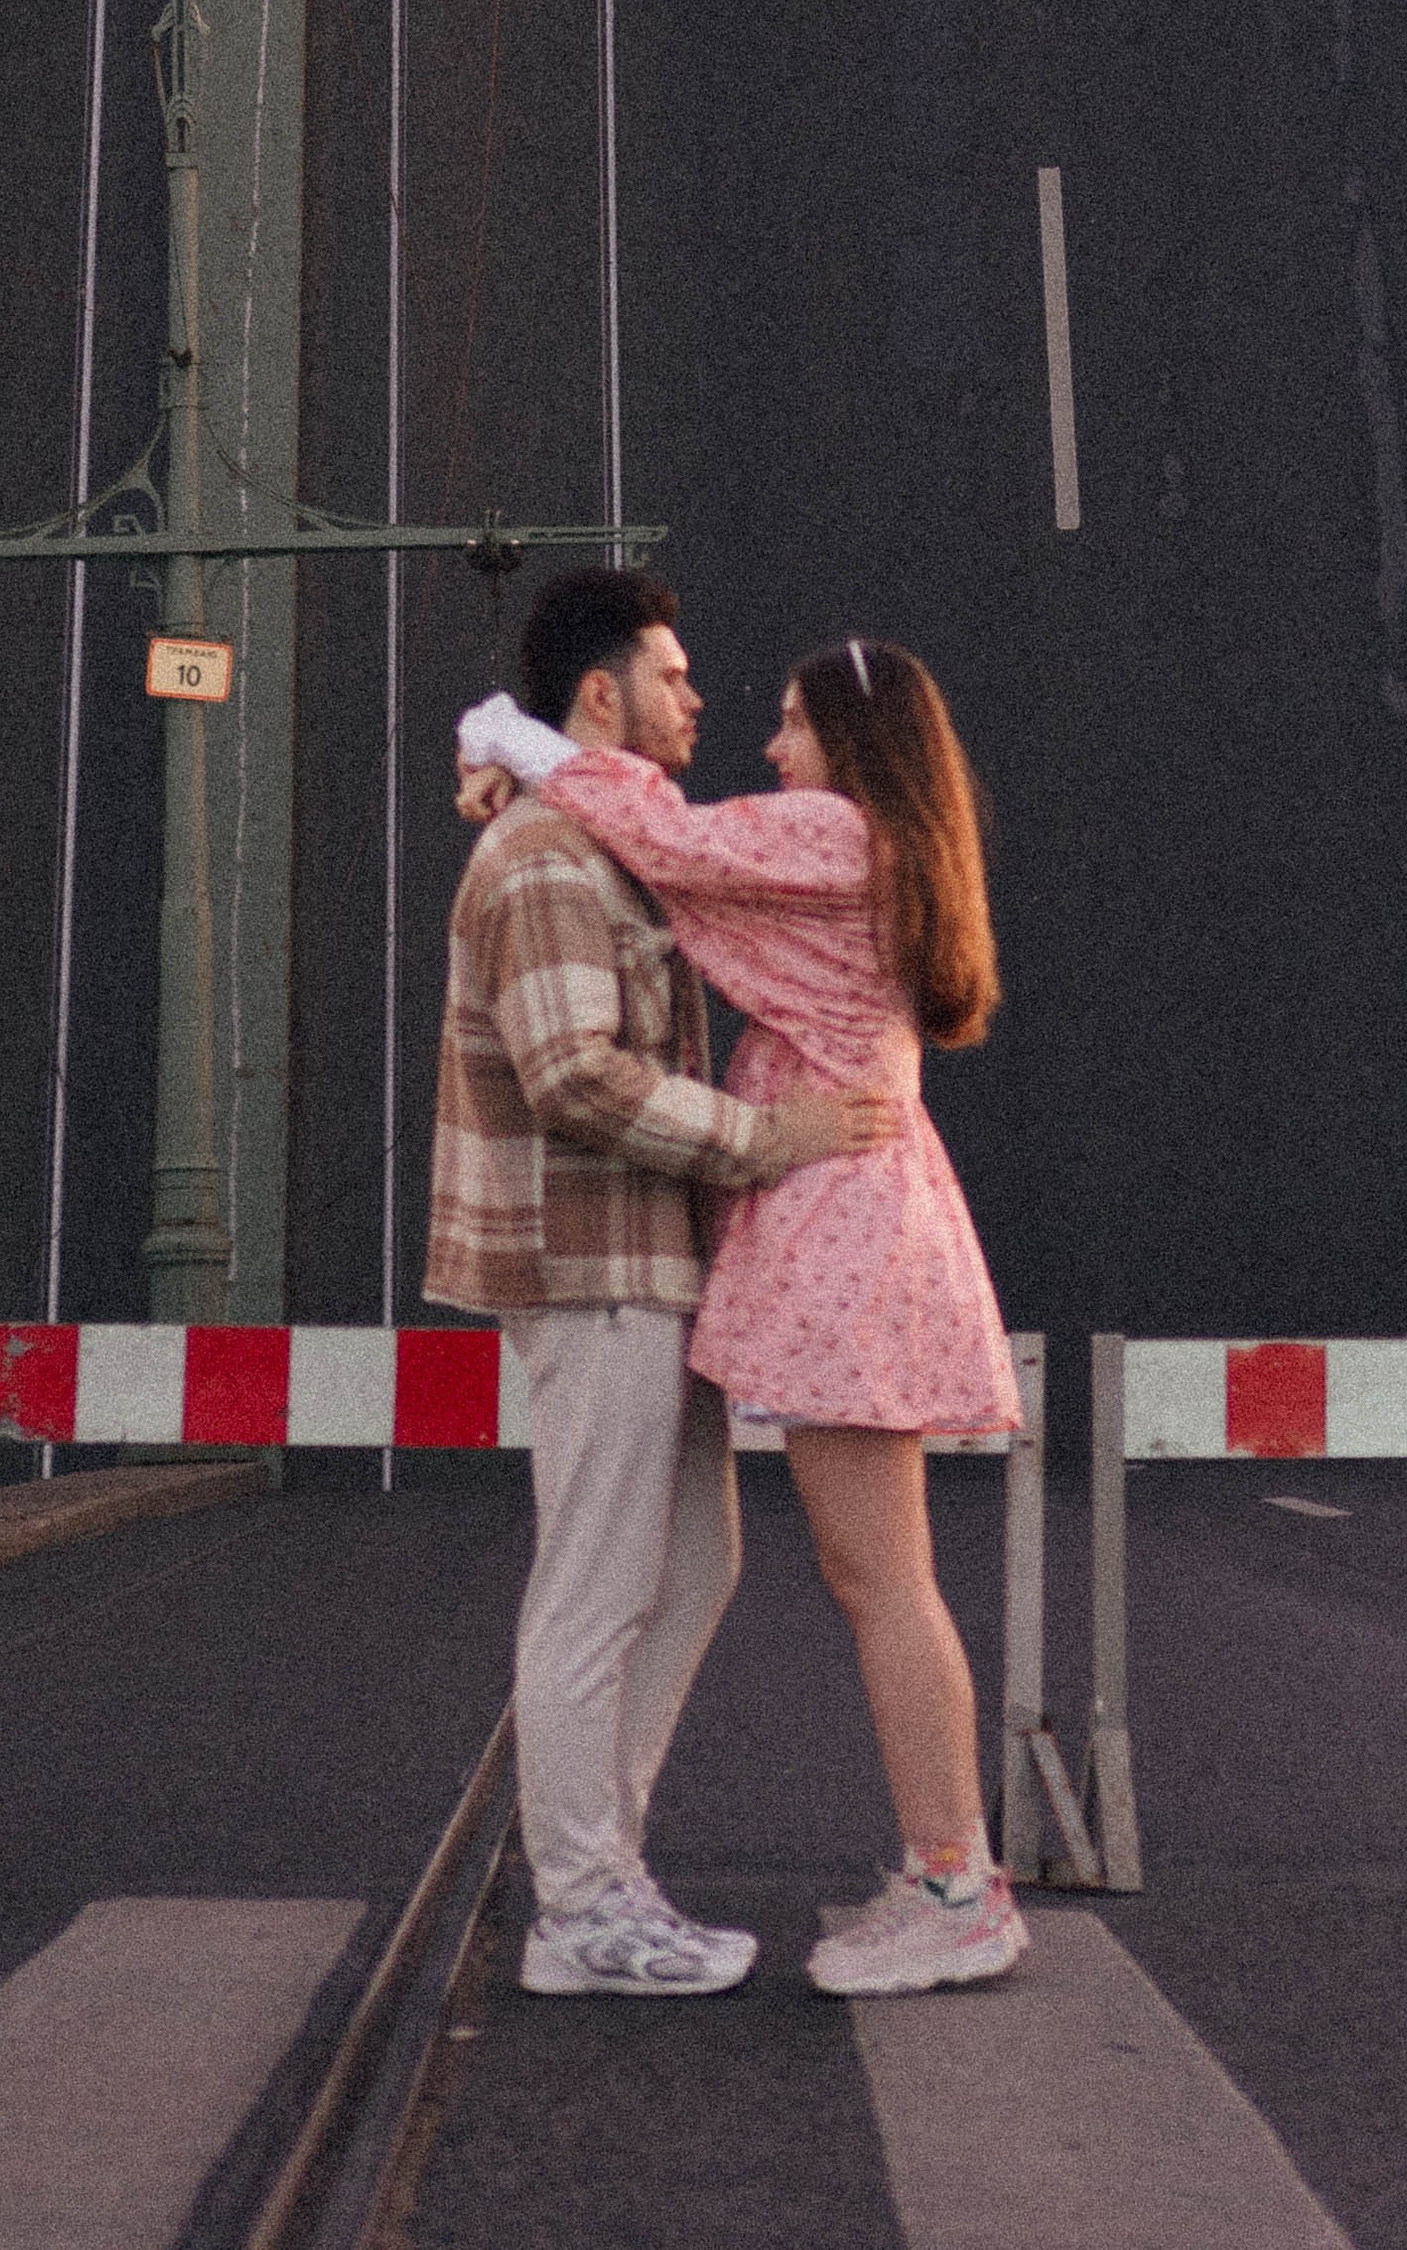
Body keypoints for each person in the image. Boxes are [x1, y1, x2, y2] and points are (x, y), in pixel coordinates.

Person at [456, 630, 1028, 1996]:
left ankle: (956, 1887)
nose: (766, 746)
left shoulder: (838, 833)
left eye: (790, 722)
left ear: (852, 741)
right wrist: (520, 772)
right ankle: (943, 1873)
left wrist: (508, 735)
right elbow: (679, 872)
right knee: (870, 1575)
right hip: (855, 1214)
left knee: (881, 1578)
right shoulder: (875, 844)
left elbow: (677, 842)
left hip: (842, 1220)